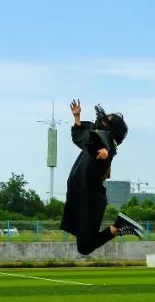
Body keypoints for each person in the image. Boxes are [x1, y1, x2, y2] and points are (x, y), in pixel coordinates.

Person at [61, 100, 143, 254]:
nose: (104, 119)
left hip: (89, 197)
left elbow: (106, 143)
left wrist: (105, 151)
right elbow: (80, 137)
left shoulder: (106, 138)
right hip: (80, 194)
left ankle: (119, 225)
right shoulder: (94, 136)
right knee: (84, 245)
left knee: (84, 247)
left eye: (108, 120)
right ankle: (118, 226)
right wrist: (77, 117)